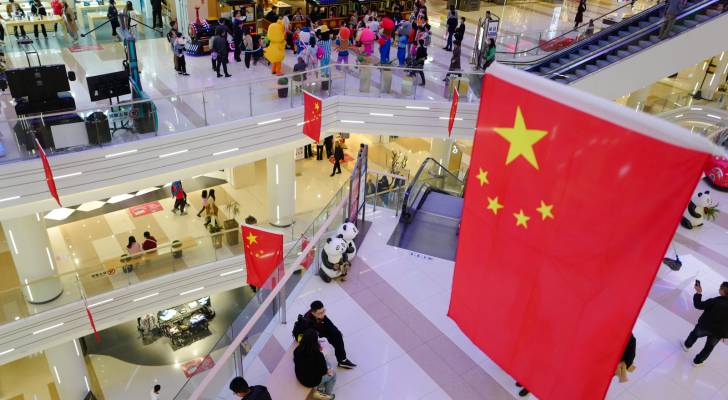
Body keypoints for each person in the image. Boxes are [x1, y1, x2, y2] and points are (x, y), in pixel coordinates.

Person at [681, 281, 728, 367]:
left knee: (694, 334)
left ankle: (687, 345)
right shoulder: (715, 301)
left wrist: (698, 292)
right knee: (709, 347)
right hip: (720, 332)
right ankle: (698, 361)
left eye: (720, 288)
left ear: (722, 291)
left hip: (705, 326)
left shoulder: (714, 301)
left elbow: (698, 305)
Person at [302, 301, 357, 369]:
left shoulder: (319, 313)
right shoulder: (308, 323)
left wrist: (337, 330)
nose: (323, 315)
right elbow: (318, 335)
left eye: (323, 311)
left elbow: (327, 321)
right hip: (313, 335)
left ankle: (343, 361)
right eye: (320, 313)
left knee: (337, 333)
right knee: (330, 339)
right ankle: (339, 358)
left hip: (319, 326)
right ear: (313, 313)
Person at [294, 329, 337, 399]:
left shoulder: (298, 349)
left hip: (299, 375)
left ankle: (320, 389)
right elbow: (323, 372)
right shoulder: (318, 355)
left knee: (328, 364)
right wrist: (323, 360)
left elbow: (295, 359)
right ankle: (327, 396)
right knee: (333, 375)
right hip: (310, 382)